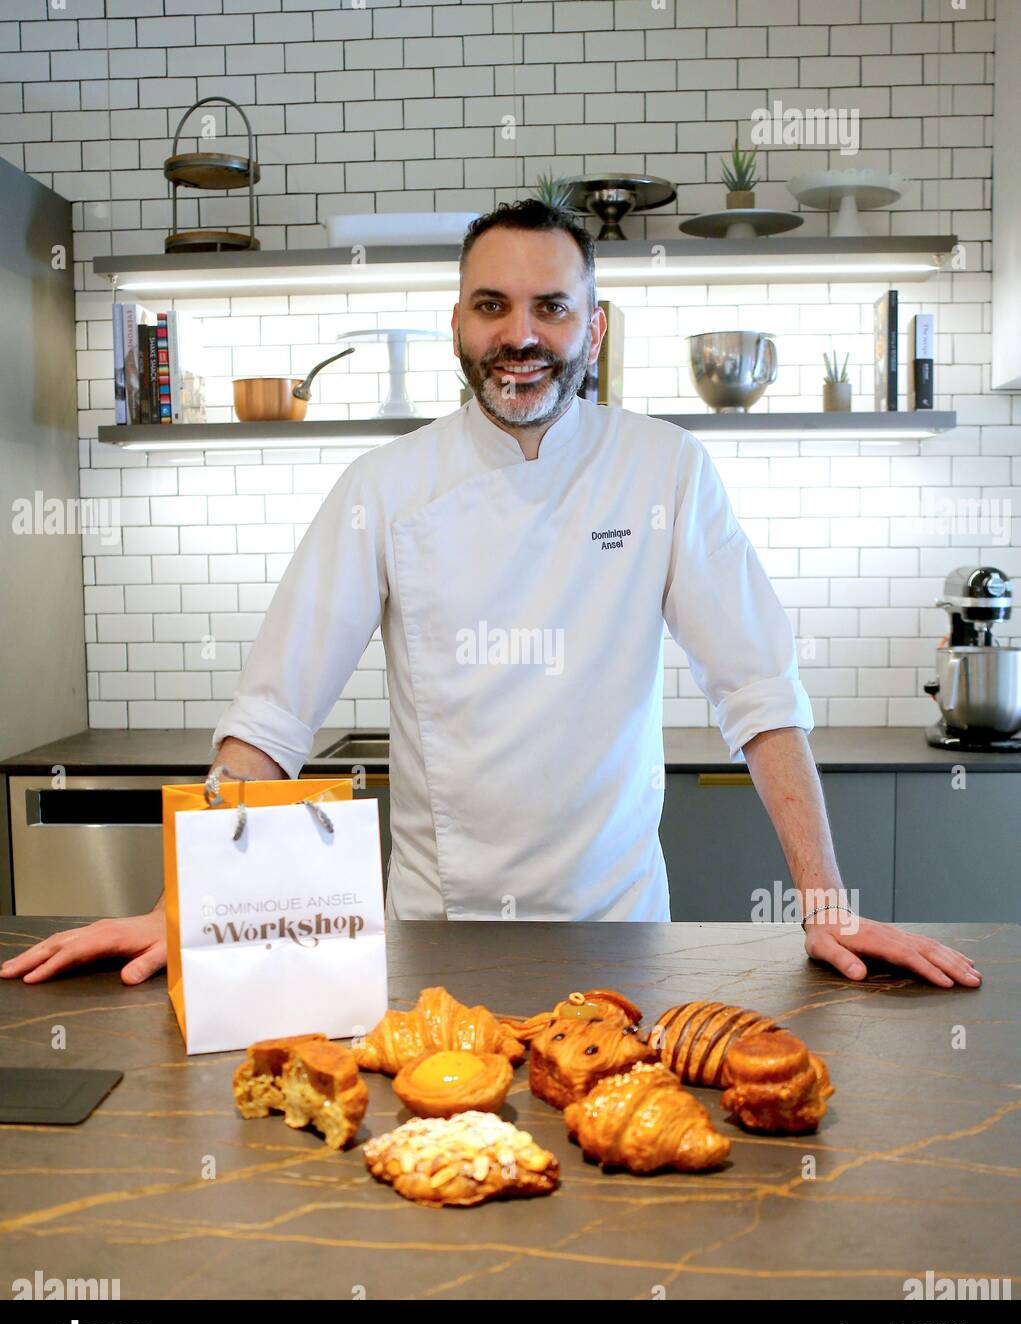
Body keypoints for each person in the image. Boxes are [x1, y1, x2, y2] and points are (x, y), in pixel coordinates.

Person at [1, 201, 980, 991]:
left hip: (621, 937)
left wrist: (824, 904)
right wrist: (181, 906)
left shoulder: (666, 470)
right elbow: (273, 716)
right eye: (492, 305)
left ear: (593, 326)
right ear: (457, 324)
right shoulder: (384, 486)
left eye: (551, 307)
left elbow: (757, 693)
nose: (521, 335)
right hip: (438, 941)